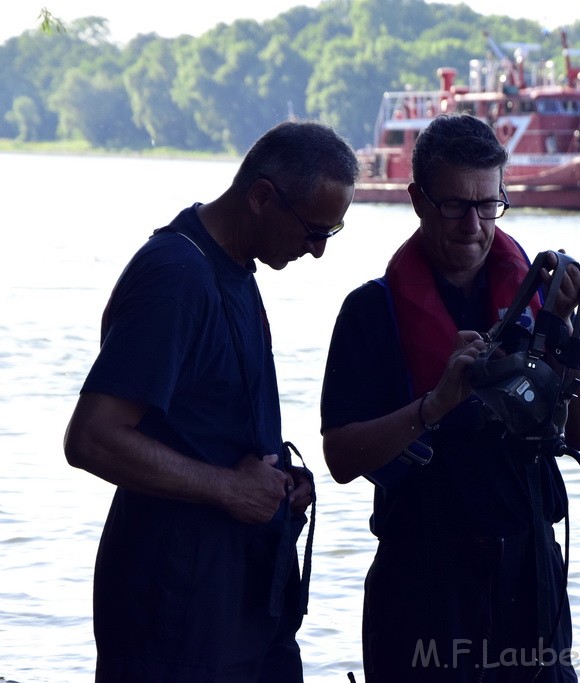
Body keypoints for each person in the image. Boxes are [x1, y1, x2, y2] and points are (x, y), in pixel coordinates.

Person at [64, 120, 359, 682]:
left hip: (240, 598)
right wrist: (227, 487)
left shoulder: (236, 270)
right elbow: (92, 437)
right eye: (314, 230)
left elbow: (207, 423)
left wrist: (277, 482)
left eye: (332, 233)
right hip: (173, 609)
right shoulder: (174, 276)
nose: (319, 251)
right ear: (261, 197)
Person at [320, 112, 580, 682]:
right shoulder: (371, 313)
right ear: (419, 200)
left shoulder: (540, 300)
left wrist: (564, 331)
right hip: (423, 575)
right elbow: (341, 459)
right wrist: (434, 405)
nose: (473, 225)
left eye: (487, 204)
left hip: (530, 569)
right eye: (454, 205)